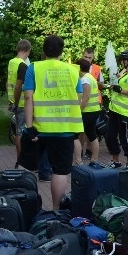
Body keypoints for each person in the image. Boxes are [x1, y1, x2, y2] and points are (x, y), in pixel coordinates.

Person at [23, 35, 83, 209]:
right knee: (60, 171)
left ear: (43, 50)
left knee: (30, 167)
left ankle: (30, 206)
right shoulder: (72, 70)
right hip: (64, 128)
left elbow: (28, 98)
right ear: (62, 51)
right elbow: (78, 98)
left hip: (39, 128)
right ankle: (56, 209)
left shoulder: (34, 67)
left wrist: (29, 127)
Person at [106, 50, 128, 167]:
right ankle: (115, 161)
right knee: (110, 137)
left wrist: (119, 89)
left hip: (126, 112)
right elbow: (115, 84)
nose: (121, 63)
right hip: (114, 110)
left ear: (126, 62)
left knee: (125, 139)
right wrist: (114, 83)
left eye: (122, 61)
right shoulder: (124, 74)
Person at [74, 58, 101, 164]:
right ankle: (94, 159)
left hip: (87, 111)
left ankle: (78, 160)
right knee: (92, 135)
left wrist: (79, 110)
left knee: (75, 135)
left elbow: (86, 97)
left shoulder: (84, 79)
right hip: (94, 110)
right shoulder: (91, 77)